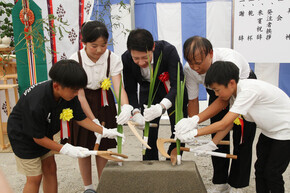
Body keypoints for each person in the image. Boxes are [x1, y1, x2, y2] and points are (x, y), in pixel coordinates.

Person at [7, 59, 123, 193]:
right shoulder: (37, 102)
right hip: (23, 136)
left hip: (44, 132)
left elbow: (80, 118)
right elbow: (37, 138)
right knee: (35, 177)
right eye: (74, 91)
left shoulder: (68, 94)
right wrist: (66, 149)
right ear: (56, 86)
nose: (76, 94)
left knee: (50, 168)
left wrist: (104, 131)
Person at [175, 61, 290, 193]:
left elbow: (223, 123)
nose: (217, 95)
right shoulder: (235, 93)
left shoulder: (247, 92)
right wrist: (213, 143)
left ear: (231, 83)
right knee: (260, 169)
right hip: (269, 132)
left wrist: (193, 133)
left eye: (217, 90)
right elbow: (230, 122)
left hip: (285, 132)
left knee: (272, 173)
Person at [182, 36, 257, 192]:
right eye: (190, 62)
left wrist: (197, 121)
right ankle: (220, 182)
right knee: (216, 133)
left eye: (198, 62)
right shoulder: (189, 69)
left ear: (210, 53)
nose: (195, 67)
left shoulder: (229, 61)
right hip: (217, 90)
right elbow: (193, 99)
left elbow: (224, 100)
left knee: (241, 136)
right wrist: (191, 125)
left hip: (241, 89)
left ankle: (238, 185)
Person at [69, 20, 132, 191]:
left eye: (103, 45)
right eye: (93, 46)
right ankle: (88, 187)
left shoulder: (113, 58)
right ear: (84, 43)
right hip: (82, 102)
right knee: (84, 147)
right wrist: (93, 120)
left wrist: (125, 106)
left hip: (104, 101)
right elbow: (79, 95)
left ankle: (103, 184)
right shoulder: (76, 60)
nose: (99, 50)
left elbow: (118, 87)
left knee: (103, 145)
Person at [122, 28, 188, 160]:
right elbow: (130, 89)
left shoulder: (168, 51)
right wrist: (135, 112)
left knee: (179, 129)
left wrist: (162, 106)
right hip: (149, 92)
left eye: (145, 57)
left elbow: (178, 84)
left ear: (152, 47)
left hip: (172, 92)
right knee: (149, 132)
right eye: (136, 58)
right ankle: (150, 164)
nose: (141, 63)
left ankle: (173, 159)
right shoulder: (126, 58)